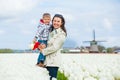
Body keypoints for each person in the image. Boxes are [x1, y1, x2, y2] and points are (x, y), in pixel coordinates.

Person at [38, 14, 67, 80]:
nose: (56, 23)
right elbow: (47, 43)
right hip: (46, 62)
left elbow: (54, 47)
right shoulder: (51, 32)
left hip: (53, 63)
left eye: (58, 21)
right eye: (54, 21)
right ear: (52, 21)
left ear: (62, 23)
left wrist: (42, 51)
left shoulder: (61, 34)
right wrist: (40, 46)